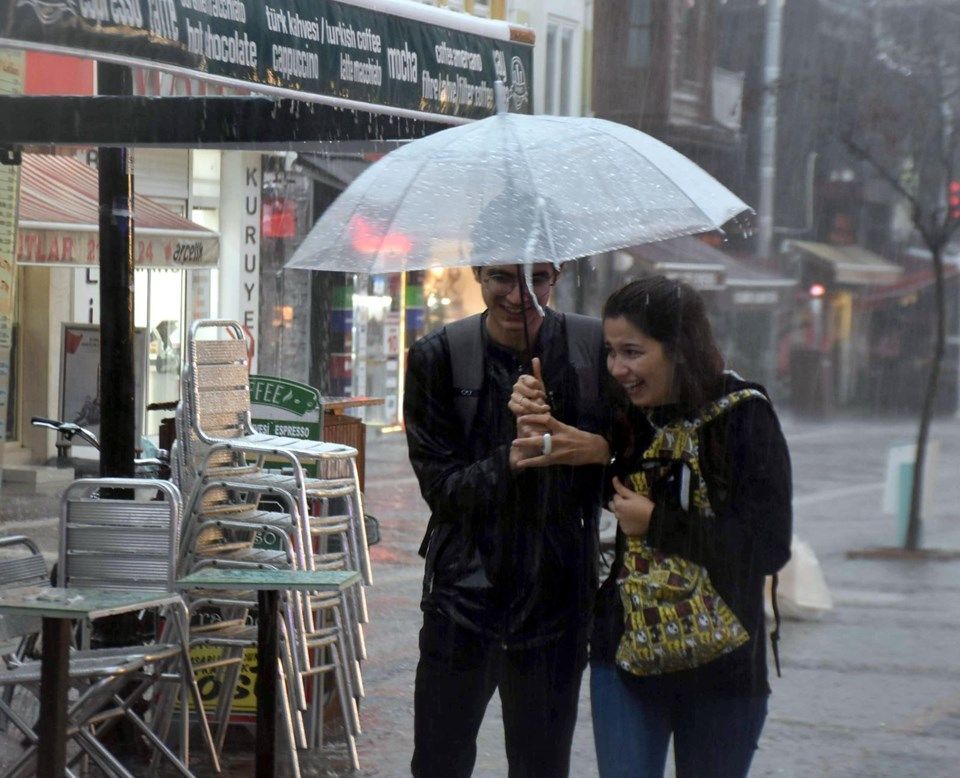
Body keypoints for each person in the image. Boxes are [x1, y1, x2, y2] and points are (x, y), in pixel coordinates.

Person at [512, 275, 792, 778]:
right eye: (611, 352)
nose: (618, 368)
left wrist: (658, 522)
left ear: (679, 348)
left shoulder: (744, 417)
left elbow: (768, 547)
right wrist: (544, 420)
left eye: (633, 352)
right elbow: (570, 489)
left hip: (723, 669)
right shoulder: (621, 412)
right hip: (624, 655)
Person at [403, 261, 608, 777]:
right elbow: (442, 491)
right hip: (462, 599)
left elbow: (630, 469)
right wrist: (509, 459)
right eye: (502, 277)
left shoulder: (591, 351)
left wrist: (588, 446)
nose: (520, 295)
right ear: (476, 272)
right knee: (438, 763)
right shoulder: (440, 358)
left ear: (557, 273)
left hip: (558, 601)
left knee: (541, 766)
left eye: (537, 278)